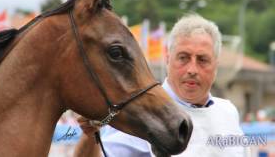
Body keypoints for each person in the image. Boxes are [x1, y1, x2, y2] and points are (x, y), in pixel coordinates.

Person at [73, 14, 247, 157]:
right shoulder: (143, 111)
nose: (192, 69)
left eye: (202, 60)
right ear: (168, 58)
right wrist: (90, 134)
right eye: (183, 57)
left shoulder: (228, 112)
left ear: (215, 66)